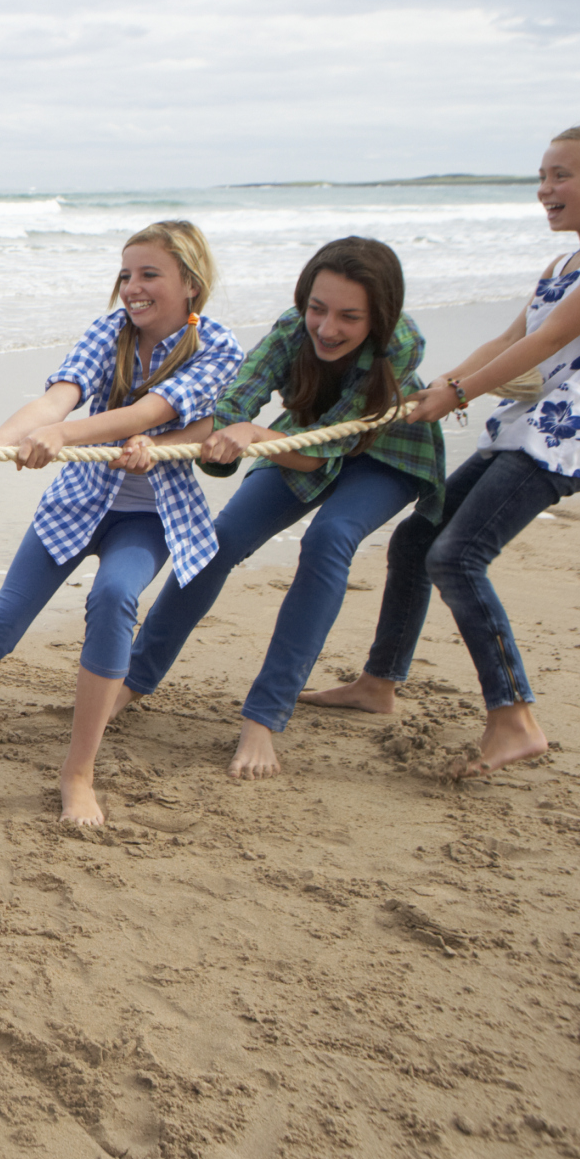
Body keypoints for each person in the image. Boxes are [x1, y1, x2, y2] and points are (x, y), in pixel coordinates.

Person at [0, 221, 244, 824]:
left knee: (114, 598)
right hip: (80, 499)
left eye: (149, 274)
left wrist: (67, 435)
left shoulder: (218, 345)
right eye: (125, 274)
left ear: (190, 282)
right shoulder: (111, 331)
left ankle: (78, 774)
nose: (132, 287)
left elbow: (149, 412)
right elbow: (57, 399)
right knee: (0, 619)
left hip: (153, 513)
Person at [304, 124, 580, 776]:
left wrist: (456, 393)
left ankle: (515, 718)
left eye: (561, 176)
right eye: (542, 176)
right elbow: (507, 343)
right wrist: (437, 387)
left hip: (568, 436)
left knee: (458, 556)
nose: (546, 189)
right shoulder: (562, 264)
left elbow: (547, 343)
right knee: (416, 541)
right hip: (525, 426)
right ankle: (378, 683)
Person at [109, 238, 444, 778]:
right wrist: (213, 436)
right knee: (217, 544)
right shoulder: (293, 329)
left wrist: (255, 433)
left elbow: (325, 452)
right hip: (297, 439)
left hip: (385, 452)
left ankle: (264, 717)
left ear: (379, 317)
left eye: (349, 316)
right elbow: (235, 401)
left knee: (328, 539)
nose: (327, 328)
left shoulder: (403, 343)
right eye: (317, 308)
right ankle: (130, 683)